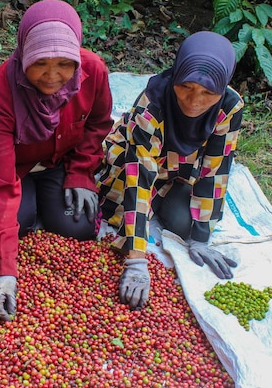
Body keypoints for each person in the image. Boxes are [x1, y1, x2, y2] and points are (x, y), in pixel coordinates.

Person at [0, 0, 113, 322]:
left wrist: (82, 173)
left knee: (80, 226)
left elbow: (98, 124)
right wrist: (4, 272)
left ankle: (50, 195)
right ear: (23, 54)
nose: (52, 75)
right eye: (40, 62)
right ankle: (29, 206)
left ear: (77, 57)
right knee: (19, 221)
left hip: (59, 160)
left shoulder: (94, 71)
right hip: (12, 167)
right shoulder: (2, 92)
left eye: (64, 63)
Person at [97, 31, 244, 311]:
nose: (194, 101)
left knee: (183, 225)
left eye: (208, 93)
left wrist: (201, 238)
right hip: (133, 159)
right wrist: (137, 259)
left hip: (181, 167)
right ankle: (153, 204)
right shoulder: (153, 102)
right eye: (186, 87)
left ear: (222, 89)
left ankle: (164, 197)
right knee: (116, 210)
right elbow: (139, 173)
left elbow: (216, 166)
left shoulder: (229, 107)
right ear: (176, 75)